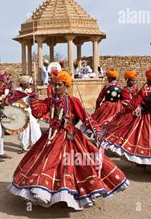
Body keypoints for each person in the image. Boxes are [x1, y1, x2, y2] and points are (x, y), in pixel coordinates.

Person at [9, 70, 128, 210]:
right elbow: (38, 113)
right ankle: (46, 192)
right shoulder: (50, 101)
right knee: (48, 163)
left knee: (75, 166)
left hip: (71, 137)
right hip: (52, 137)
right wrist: (34, 99)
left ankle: (74, 195)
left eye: (60, 85)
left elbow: (86, 118)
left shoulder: (73, 101)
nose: (57, 88)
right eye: (55, 85)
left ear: (66, 86)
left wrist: (96, 132)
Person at [16, 75, 42, 154]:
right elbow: (14, 102)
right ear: (24, 83)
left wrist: (35, 96)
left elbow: (34, 100)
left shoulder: (30, 90)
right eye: (29, 83)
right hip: (22, 112)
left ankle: (35, 145)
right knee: (24, 130)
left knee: (35, 128)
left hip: (30, 112)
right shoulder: (17, 91)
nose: (31, 85)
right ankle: (24, 146)